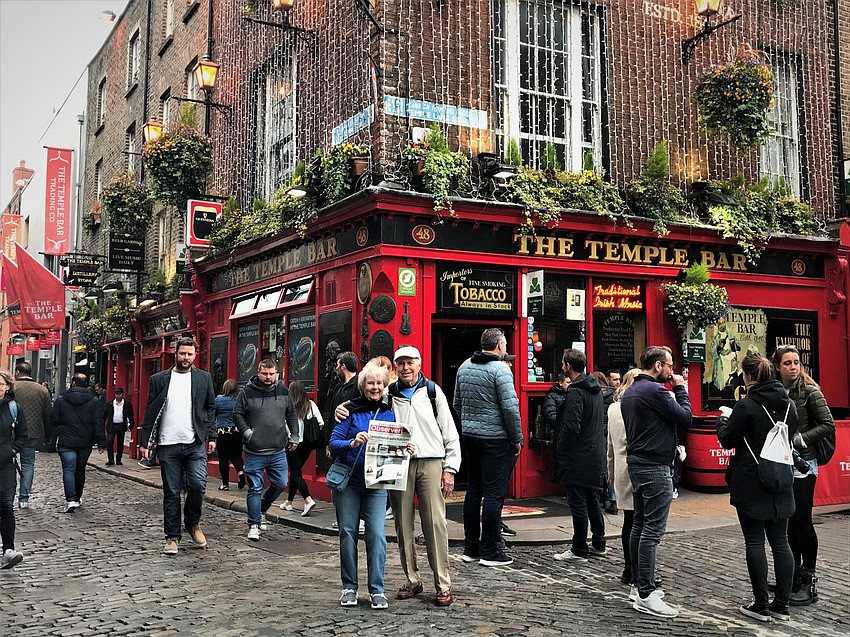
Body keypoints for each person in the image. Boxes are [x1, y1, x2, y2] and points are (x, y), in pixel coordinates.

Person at [717, 353, 797, 622]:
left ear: (748, 376)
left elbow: (728, 439)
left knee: (754, 541)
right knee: (781, 542)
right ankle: (782, 605)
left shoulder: (747, 405)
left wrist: (721, 423)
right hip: (781, 477)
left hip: (751, 479)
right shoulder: (789, 406)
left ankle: (761, 605)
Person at [621, 346, 691, 618]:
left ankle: (638, 585)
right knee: (651, 531)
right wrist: (681, 389)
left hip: (637, 464)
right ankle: (646, 593)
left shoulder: (630, 391)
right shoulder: (657, 391)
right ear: (658, 365)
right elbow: (685, 417)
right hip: (655, 467)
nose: (673, 371)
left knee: (639, 525)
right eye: (670, 365)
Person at [387, 346, 461, 607]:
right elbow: (367, 407)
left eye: (410, 362)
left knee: (435, 524)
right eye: (401, 363)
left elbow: (449, 431)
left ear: (419, 364)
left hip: (431, 462)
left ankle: (443, 583)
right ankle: (412, 579)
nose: (405, 368)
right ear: (395, 367)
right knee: (402, 524)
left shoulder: (432, 391)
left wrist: (450, 468)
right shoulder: (389, 394)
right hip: (400, 464)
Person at [329, 363, 401, 610]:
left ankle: (377, 590)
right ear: (363, 386)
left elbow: (395, 443)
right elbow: (334, 442)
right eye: (370, 383)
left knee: (377, 535)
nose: (375, 387)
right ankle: (349, 587)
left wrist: (405, 447)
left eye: (379, 383)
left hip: (377, 484)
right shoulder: (349, 411)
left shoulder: (389, 412)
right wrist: (352, 443)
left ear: (385, 386)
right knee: (348, 533)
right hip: (349, 482)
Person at [771, 344, 835, 606]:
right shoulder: (776, 390)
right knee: (787, 520)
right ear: (777, 367)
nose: (793, 367)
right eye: (787, 363)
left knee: (802, 520)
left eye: (796, 362)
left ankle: (809, 581)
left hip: (805, 463)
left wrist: (801, 439)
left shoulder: (810, 392)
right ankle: (794, 577)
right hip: (782, 461)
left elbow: (828, 424)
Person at [140, 338, 216, 555]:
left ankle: (192, 523)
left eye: (190, 354)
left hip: (194, 443)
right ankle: (172, 537)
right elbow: (150, 410)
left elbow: (210, 407)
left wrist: (211, 435)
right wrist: (145, 442)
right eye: (183, 353)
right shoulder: (159, 379)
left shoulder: (204, 378)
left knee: (198, 485)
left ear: (195, 355)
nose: (186, 358)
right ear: (175, 353)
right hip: (167, 444)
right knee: (172, 492)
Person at [453, 328, 522, 567]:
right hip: (496, 440)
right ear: (500, 345)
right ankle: (490, 551)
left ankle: (471, 548)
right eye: (505, 344)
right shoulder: (501, 370)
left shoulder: (464, 367)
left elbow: (457, 403)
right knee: (493, 494)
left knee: (474, 490)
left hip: (470, 437)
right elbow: (511, 409)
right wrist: (516, 438)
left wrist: (469, 425)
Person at [233, 360, 299, 541]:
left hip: (278, 449)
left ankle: (261, 508)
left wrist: (295, 435)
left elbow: (291, 414)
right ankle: (254, 524)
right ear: (258, 372)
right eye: (265, 374)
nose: (268, 377)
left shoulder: (283, 390)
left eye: (271, 374)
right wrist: (247, 433)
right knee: (255, 487)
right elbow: (237, 414)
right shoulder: (247, 392)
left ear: (276, 373)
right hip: (255, 450)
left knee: (281, 483)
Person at [553, 349, 606, 562]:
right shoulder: (595, 389)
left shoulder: (576, 391)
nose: (562, 366)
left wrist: (562, 449)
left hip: (578, 456)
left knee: (578, 503)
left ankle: (579, 549)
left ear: (568, 365)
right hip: (594, 454)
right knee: (592, 499)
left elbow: (571, 426)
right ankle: (599, 542)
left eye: (563, 363)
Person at [50, 373, 106, 513]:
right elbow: (98, 422)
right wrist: (101, 441)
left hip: (67, 441)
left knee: (69, 469)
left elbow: (54, 420)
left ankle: (70, 500)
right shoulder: (94, 401)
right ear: (86, 384)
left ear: (73, 383)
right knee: (80, 469)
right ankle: (77, 497)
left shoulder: (61, 400)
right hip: (85, 441)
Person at [607, 368, 640, 585]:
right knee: (641, 523)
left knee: (629, 520)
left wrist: (610, 472)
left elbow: (610, 445)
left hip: (620, 469)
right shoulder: (637, 407)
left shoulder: (613, 408)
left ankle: (628, 568)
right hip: (638, 467)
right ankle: (638, 570)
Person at [13, 361, 51, 509]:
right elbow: (47, 416)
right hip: (32, 433)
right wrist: (48, 435)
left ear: (17, 373)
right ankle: (24, 498)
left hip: (12, 433)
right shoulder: (42, 390)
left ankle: (7, 495)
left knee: (6, 464)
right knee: (28, 465)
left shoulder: (11, 388)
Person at [281, 380, 320, 516]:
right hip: (308, 445)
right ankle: (289, 502)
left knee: (296, 473)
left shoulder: (288, 406)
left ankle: (308, 499)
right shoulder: (311, 404)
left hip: (293, 443)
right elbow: (320, 422)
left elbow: (284, 425)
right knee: (295, 472)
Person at [0, 371, 27, 568]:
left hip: (6, 465)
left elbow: (22, 435)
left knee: (7, 507)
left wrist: (12, 450)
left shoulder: (14, 408)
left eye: (1, 384)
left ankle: (8, 551)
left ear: (7, 386)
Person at [592, 370, 617, 513]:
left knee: (600, 466)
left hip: (598, 433)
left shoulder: (593, 395)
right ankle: (611, 500)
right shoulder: (613, 395)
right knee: (611, 467)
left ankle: (603, 498)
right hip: (610, 433)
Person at [214, 379, 245, 491]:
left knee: (223, 458)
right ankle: (240, 472)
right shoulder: (239, 400)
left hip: (223, 432)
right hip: (237, 432)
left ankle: (225, 484)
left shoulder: (219, 399)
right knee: (236, 456)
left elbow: (213, 413)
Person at [103, 387, 134, 466]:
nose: (118, 396)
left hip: (121, 425)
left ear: (122, 394)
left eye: (119, 394)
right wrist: (102, 425)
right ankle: (110, 460)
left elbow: (131, 415)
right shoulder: (110, 404)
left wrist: (131, 425)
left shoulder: (127, 404)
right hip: (111, 425)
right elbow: (104, 415)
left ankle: (118, 460)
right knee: (109, 442)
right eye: (116, 394)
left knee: (120, 443)